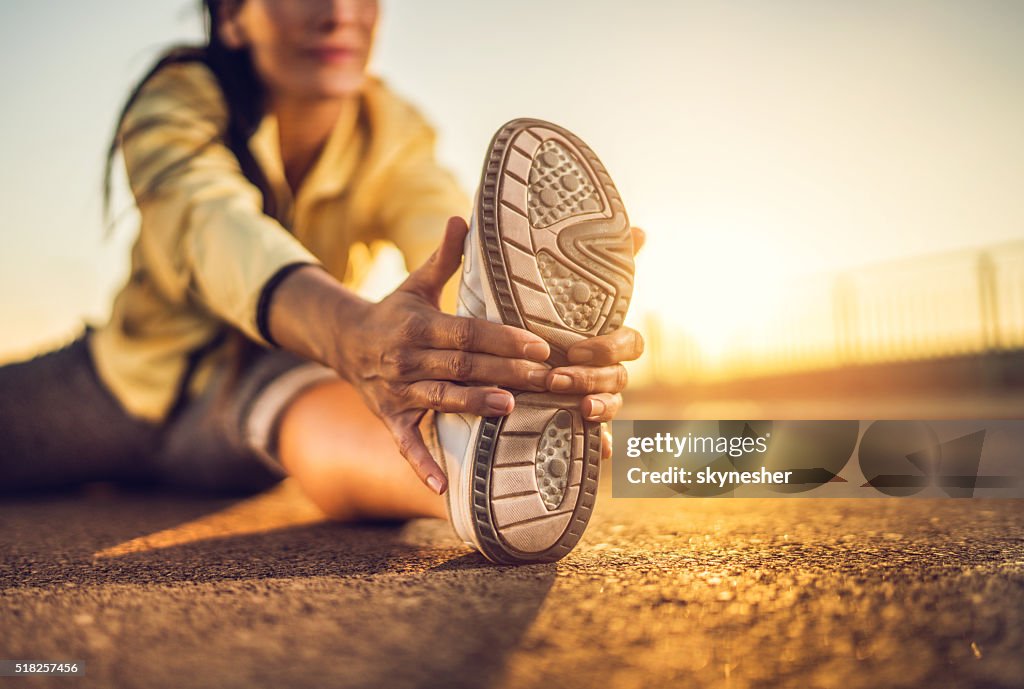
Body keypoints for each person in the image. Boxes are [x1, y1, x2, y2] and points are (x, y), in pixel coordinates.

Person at [0, 0, 643, 536]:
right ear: (231, 19)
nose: (338, 14)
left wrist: (506, 346)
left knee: (322, 415)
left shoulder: (393, 128)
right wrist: (353, 334)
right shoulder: (174, 102)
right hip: (117, 382)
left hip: (271, 380)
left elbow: (448, 238)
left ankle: (473, 475)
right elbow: (211, 224)